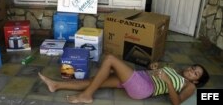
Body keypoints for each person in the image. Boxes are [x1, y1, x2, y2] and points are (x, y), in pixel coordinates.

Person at [38, 54, 209, 105]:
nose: (191, 71)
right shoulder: (175, 69)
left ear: (195, 81)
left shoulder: (189, 86)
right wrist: (154, 68)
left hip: (144, 88)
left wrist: (168, 81)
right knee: (96, 80)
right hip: (140, 78)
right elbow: (153, 71)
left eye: (195, 73)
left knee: (110, 59)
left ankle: (86, 96)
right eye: (193, 68)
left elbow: (177, 102)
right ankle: (56, 85)